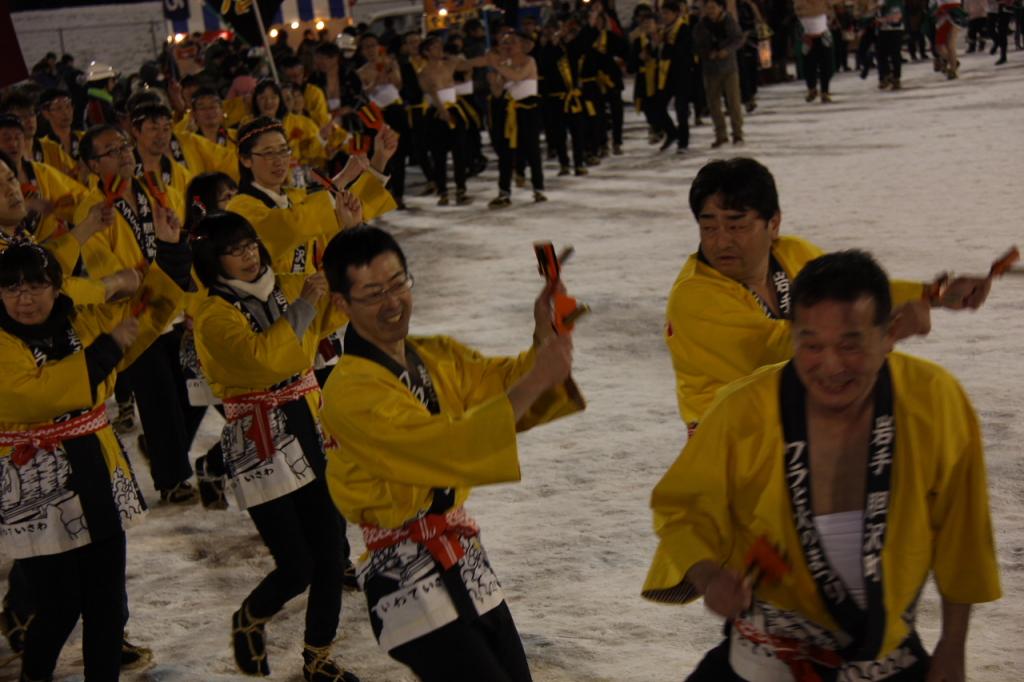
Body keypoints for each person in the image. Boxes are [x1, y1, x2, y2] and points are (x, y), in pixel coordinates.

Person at [643, 250, 1001, 681]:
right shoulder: (743, 409)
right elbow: (683, 507)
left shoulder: (935, 399)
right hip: (763, 665)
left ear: (889, 334)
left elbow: (962, 530)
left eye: (850, 345)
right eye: (811, 345)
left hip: (886, 663)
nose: (830, 366)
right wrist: (707, 574)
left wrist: (953, 644)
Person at [319, 226, 584, 681]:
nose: (392, 302)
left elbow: (499, 386)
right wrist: (537, 379)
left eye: (399, 283)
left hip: (461, 555)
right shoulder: (349, 389)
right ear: (341, 304)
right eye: (373, 293)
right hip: (403, 570)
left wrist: (544, 339)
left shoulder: (434, 354)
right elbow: (438, 446)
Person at [0, 207, 191, 681]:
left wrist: (170, 252)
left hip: (96, 467)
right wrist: (107, 348)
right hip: (39, 481)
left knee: (106, 605)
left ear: (57, 286)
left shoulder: (76, 323)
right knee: (60, 606)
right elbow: (32, 394)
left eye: (36, 285)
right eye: (12, 288)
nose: (25, 299)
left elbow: (145, 315)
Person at [665, 158, 994, 432]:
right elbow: (778, 352)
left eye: (736, 226)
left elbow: (850, 295)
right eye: (709, 227)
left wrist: (934, 293)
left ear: (773, 224)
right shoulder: (695, 296)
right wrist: (886, 327)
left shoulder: (792, 254)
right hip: (731, 442)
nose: (721, 241)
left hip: (798, 423)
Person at [191, 210, 360, 681]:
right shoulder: (212, 315)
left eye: (250, 245)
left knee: (331, 550)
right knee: (297, 564)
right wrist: (304, 305)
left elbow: (326, 316)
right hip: (259, 437)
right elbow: (265, 361)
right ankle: (250, 616)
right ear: (213, 260)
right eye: (234, 250)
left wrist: (348, 240)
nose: (248, 256)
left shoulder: (281, 284)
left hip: (308, 421)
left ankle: (318, 657)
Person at [75, 123, 202, 504]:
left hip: (173, 305)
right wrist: (138, 278)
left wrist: (191, 301)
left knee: (189, 392)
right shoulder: (91, 206)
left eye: (124, 145)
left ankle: (164, 450)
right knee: (159, 396)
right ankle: (173, 478)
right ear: (94, 165)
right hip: (135, 317)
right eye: (112, 150)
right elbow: (105, 269)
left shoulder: (153, 189)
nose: (124, 153)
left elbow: (178, 242)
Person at [486, 31, 547, 209]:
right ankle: (504, 191)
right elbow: (498, 92)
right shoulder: (505, 64)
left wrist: (497, 66)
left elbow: (518, 77)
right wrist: (493, 81)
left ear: (520, 45)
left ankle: (538, 188)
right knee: (505, 152)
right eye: (505, 43)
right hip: (510, 110)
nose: (508, 46)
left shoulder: (529, 61)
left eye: (512, 43)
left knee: (531, 148)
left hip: (528, 109)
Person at [693, 0, 745, 146]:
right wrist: (707, 53)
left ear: (720, 8)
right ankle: (720, 134)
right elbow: (696, 45)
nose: (710, 11)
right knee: (714, 104)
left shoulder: (729, 21)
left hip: (729, 68)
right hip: (710, 69)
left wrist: (726, 51)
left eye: (713, 7)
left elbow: (738, 39)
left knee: (733, 102)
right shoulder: (701, 26)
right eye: (708, 8)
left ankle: (737, 133)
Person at [795, 0, 835, 101]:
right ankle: (812, 88)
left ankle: (824, 91)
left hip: (823, 35)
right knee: (809, 66)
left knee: (826, 66)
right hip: (808, 37)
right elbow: (797, 18)